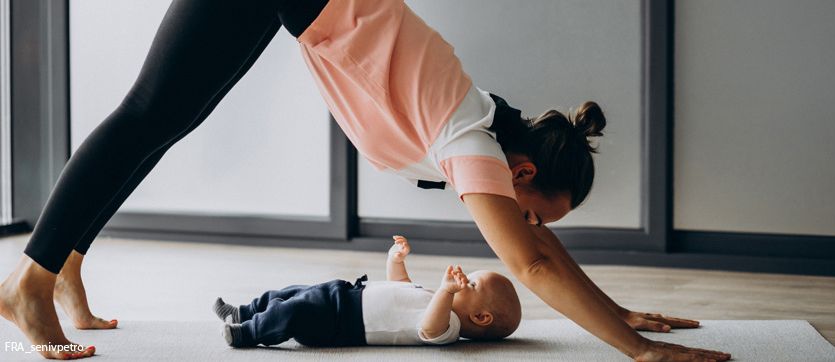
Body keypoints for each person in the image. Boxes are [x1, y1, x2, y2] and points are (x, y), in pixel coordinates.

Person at [0, 0, 731, 360]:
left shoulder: (480, 124)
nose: (527, 223)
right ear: (523, 170)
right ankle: (29, 281)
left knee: (161, 119)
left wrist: (618, 312)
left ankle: (66, 264)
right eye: (534, 209)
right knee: (148, 113)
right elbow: (531, 260)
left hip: (296, 7)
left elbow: (538, 246)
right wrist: (637, 351)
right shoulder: (468, 137)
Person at [212, 235, 521, 348]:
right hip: (344, 295)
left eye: (472, 284)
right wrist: (396, 260)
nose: (464, 279)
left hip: (341, 324)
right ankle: (244, 311)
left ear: (480, 317)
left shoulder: (448, 327)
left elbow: (428, 329)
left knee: (291, 311)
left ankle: (247, 333)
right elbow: (399, 286)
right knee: (290, 293)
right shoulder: (434, 300)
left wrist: (445, 292)